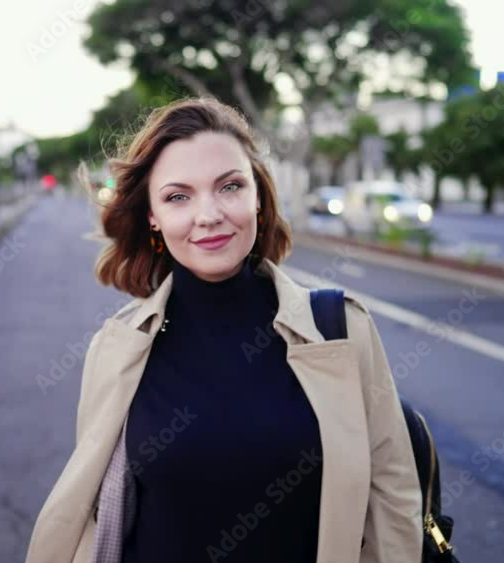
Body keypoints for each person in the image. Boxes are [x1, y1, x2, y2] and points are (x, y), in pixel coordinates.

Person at [25, 98, 421, 563]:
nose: (208, 214)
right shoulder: (116, 348)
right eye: (178, 196)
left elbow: (394, 497)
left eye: (229, 186)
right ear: (152, 215)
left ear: (258, 194)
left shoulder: (339, 328)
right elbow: (98, 506)